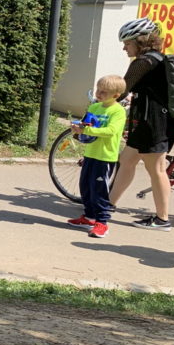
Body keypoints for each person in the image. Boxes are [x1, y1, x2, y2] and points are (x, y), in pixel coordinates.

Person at [108, 17, 174, 230]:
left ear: (140, 41)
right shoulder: (157, 58)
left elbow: (122, 88)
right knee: (127, 160)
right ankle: (108, 204)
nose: (124, 47)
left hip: (155, 122)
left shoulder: (143, 62)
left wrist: (102, 99)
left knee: (156, 169)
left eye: (127, 43)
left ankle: (162, 219)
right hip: (151, 120)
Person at [65, 74, 127, 239]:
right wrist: (77, 128)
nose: (99, 94)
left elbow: (111, 131)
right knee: (85, 187)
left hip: (105, 157)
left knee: (99, 191)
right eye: (98, 90)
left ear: (116, 95)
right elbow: (86, 126)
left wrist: (87, 130)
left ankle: (102, 223)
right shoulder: (94, 108)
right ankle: (88, 218)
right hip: (91, 154)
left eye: (104, 92)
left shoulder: (118, 111)